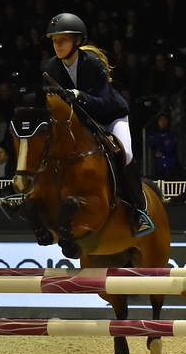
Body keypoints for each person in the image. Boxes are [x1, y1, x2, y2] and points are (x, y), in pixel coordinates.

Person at [44, 12, 153, 236]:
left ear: (77, 41)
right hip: (83, 121)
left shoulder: (93, 64)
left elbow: (103, 102)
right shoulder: (52, 67)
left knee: (127, 153)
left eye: (62, 40)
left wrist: (78, 95)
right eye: (55, 41)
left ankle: (139, 211)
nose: (57, 45)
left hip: (110, 116)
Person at [145, 113, 180, 178]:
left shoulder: (173, 134)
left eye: (165, 119)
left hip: (172, 169)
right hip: (159, 170)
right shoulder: (155, 134)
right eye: (160, 119)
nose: (163, 121)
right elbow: (149, 141)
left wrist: (157, 145)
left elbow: (169, 149)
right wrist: (164, 142)